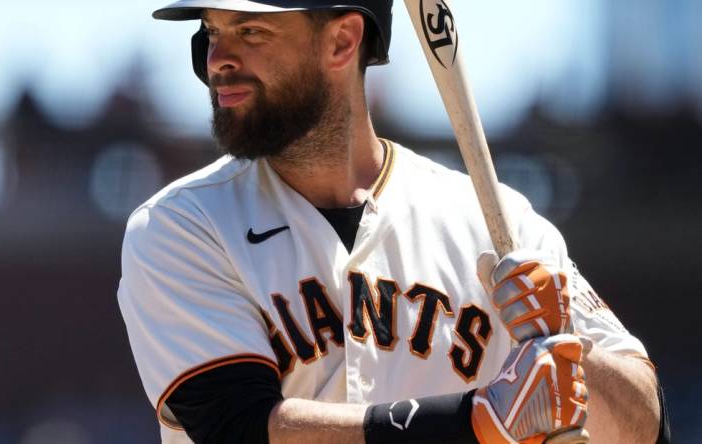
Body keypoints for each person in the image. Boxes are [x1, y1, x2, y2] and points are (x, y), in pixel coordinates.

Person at [117, 1, 668, 443]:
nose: (218, 59)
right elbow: (238, 429)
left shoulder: (500, 223)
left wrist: (568, 341)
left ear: (342, 40)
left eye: (251, 31)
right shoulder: (181, 227)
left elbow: (643, 428)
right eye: (212, 33)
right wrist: (476, 423)